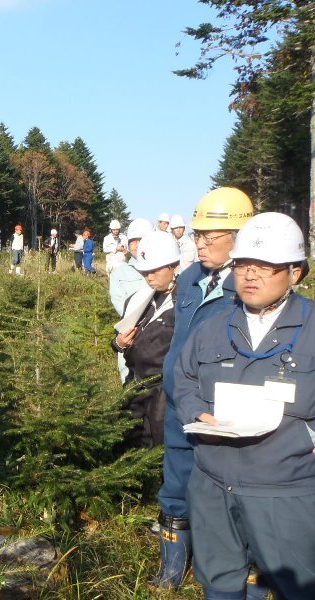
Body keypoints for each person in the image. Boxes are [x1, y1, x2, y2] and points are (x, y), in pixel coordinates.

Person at [176, 212, 314, 600]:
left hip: (284, 490)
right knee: (218, 583)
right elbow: (183, 379)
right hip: (213, 484)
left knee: (298, 586)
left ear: (295, 273)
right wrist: (194, 413)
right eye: (243, 265)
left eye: (266, 266)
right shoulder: (213, 327)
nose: (251, 274)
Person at [152, 187, 255, 590]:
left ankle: (236, 572)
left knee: (229, 498)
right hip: (181, 406)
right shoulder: (192, 278)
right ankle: (171, 569)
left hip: (222, 415)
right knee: (175, 489)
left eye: (209, 238)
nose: (200, 244)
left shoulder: (249, 284)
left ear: (239, 238)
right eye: (197, 236)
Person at [111, 231, 179, 448]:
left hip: (164, 395)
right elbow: (116, 340)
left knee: (159, 451)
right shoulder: (138, 300)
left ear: (174, 266)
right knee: (130, 447)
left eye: (154, 270)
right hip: (135, 388)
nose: (149, 276)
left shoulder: (185, 303)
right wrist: (120, 343)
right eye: (145, 271)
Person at [110, 217, 155, 384]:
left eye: (141, 240)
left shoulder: (161, 271)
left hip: (157, 335)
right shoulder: (120, 273)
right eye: (132, 241)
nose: (136, 245)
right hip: (131, 332)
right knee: (129, 380)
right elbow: (121, 305)